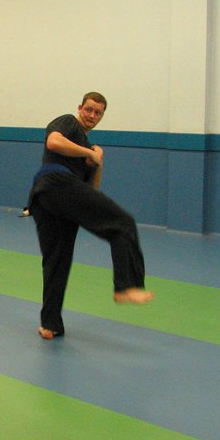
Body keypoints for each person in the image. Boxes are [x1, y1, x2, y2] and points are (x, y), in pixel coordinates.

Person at [26, 92, 153, 340]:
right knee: (122, 223)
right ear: (80, 108)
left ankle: (50, 324)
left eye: (98, 113)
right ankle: (126, 286)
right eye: (89, 109)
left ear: (102, 116)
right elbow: (53, 142)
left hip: (49, 198)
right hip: (55, 184)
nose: (92, 115)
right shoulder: (68, 122)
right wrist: (88, 151)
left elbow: (91, 191)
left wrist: (97, 162)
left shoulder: (87, 148)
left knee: (57, 261)